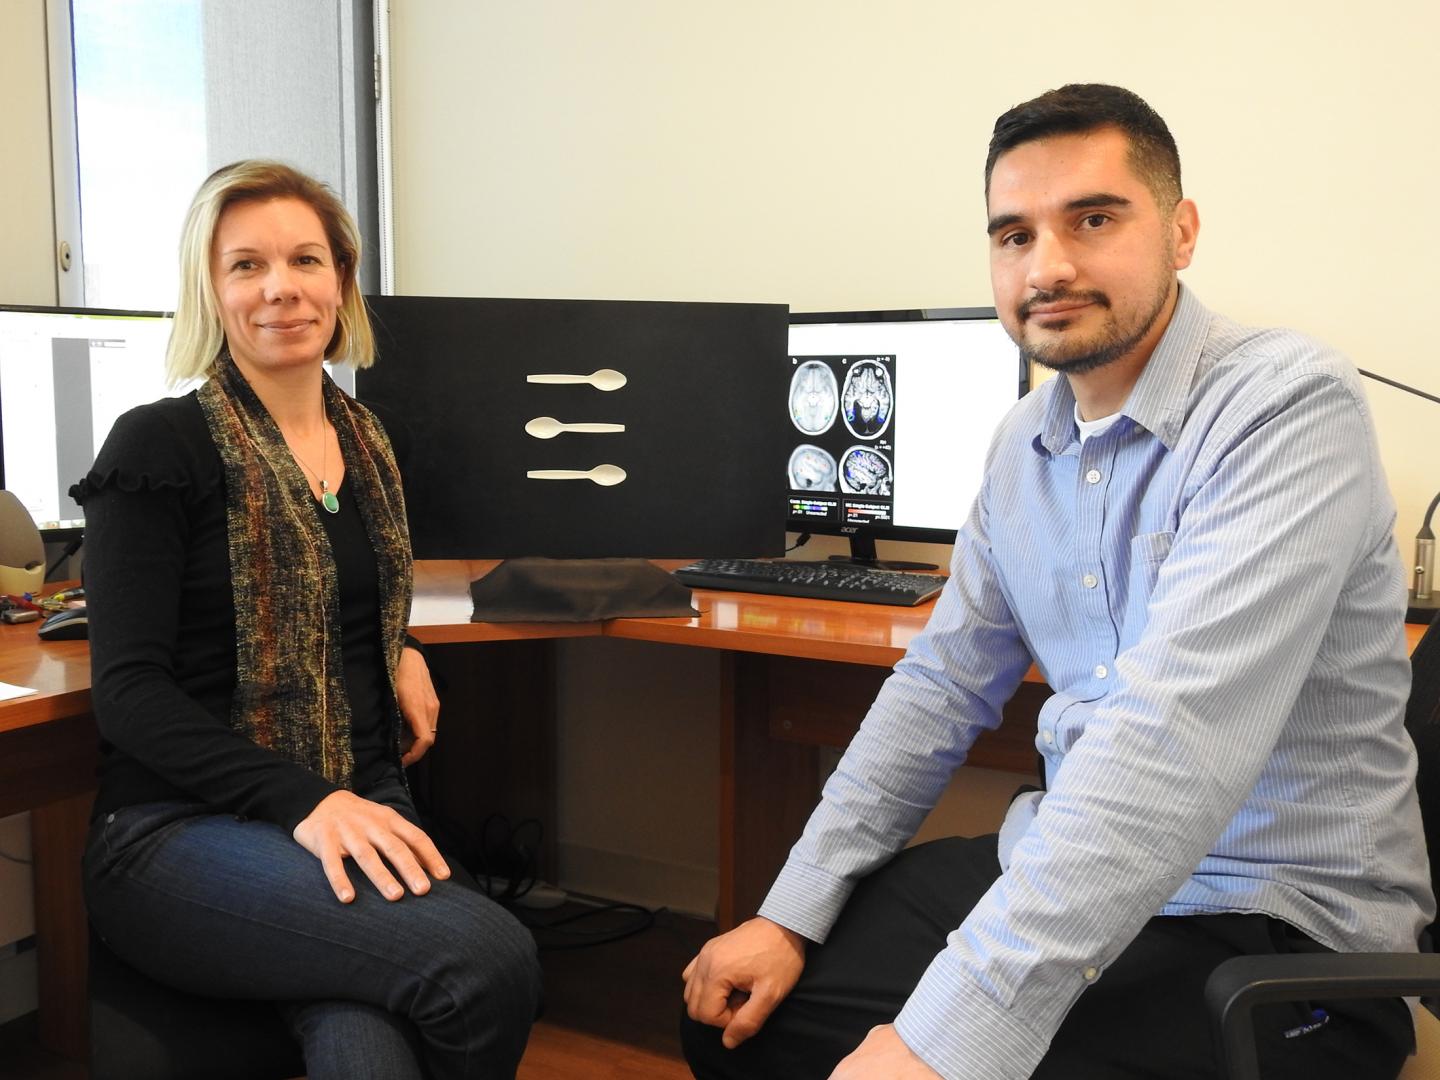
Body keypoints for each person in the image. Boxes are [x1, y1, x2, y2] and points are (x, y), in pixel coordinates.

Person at [681, 84, 1433, 1080]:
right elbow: (939, 691)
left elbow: (1172, 742)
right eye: (1012, 235)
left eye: (1093, 218)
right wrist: (790, 911)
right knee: (736, 1017)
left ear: (1182, 230)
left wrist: (940, 1038)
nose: (1049, 266)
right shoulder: (1021, 446)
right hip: (1067, 865)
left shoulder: (1287, 408)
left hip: (1269, 920)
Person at [76, 160, 542, 1080]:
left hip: (354, 807)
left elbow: (329, 582)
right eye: (246, 265)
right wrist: (310, 804)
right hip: (182, 832)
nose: (280, 287)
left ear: (342, 281)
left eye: (305, 259)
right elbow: (128, 695)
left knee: (369, 1044)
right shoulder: (157, 445)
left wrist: (395, 640)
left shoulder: (367, 441)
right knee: (486, 961)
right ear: (210, 291)